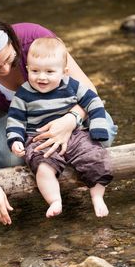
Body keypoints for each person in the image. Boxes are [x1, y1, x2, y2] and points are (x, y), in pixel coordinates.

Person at [0, 17, 117, 225]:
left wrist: (70, 120)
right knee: (10, 159)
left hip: (58, 106)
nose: (4, 70)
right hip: (2, 112)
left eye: (9, 60)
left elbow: (87, 89)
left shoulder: (35, 39)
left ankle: (72, 176)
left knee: (104, 132)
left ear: (13, 43)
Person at [6, 37, 113, 218]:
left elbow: (93, 102)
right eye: (35, 71)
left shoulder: (72, 86)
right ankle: (55, 200)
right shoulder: (23, 94)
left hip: (74, 133)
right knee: (43, 166)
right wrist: (15, 139)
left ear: (64, 72)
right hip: (40, 138)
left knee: (96, 157)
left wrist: (98, 128)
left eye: (49, 71)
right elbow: (15, 119)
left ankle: (97, 196)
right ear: (27, 69)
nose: (41, 77)